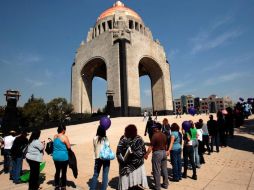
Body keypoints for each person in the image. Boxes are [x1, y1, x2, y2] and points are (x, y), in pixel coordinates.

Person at [117, 125, 148, 190]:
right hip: (137, 165)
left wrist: (122, 161)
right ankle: (135, 185)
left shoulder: (123, 139)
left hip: (126, 165)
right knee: (135, 178)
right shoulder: (139, 138)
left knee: (127, 181)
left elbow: (118, 153)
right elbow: (143, 151)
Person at [145, 124, 168, 190]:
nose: (153, 128)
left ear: (157, 128)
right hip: (164, 152)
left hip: (157, 153)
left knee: (156, 170)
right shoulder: (164, 135)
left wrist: (146, 154)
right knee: (164, 169)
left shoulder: (154, 136)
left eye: (154, 127)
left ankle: (157, 187)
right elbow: (166, 145)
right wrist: (166, 151)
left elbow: (151, 147)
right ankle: (165, 184)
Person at [90, 126, 111, 190]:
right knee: (105, 175)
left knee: (95, 174)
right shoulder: (106, 139)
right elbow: (108, 147)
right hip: (106, 158)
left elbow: (95, 147)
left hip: (98, 158)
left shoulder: (95, 138)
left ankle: (92, 188)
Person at [52, 125, 71, 190]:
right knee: (63, 172)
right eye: (65, 130)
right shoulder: (64, 137)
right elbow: (69, 147)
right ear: (63, 130)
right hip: (63, 157)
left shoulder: (55, 136)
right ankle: (63, 186)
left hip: (55, 157)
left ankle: (56, 185)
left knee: (57, 171)